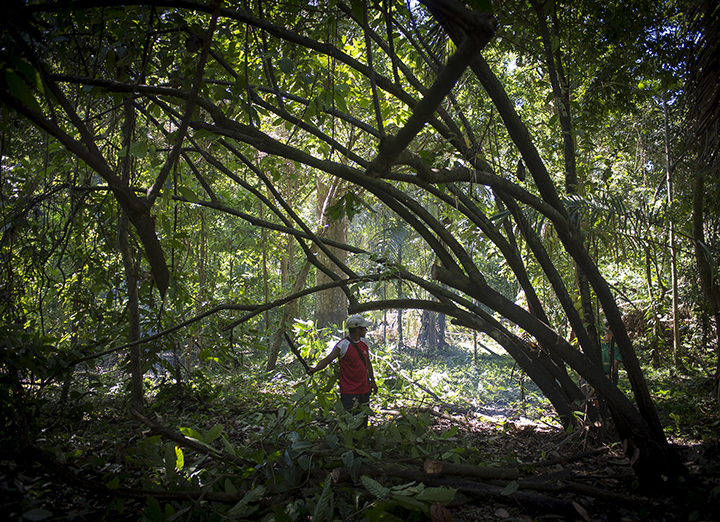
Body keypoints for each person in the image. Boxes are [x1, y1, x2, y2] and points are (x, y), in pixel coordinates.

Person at [306, 315, 378, 426]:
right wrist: (315, 369)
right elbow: (327, 360)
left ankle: (361, 441)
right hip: (349, 390)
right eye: (364, 328)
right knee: (348, 421)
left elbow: (368, 363)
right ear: (357, 330)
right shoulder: (343, 345)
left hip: (364, 388)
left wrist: (373, 382)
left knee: (363, 420)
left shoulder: (365, 343)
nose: (366, 330)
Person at [601, 319, 622, 385]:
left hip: (611, 375)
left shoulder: (615, 344)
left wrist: (611, 374)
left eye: (611, 329)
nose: (609, 331)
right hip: (600, 373)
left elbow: (616, 361)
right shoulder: (599, 342)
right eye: (608, 328)